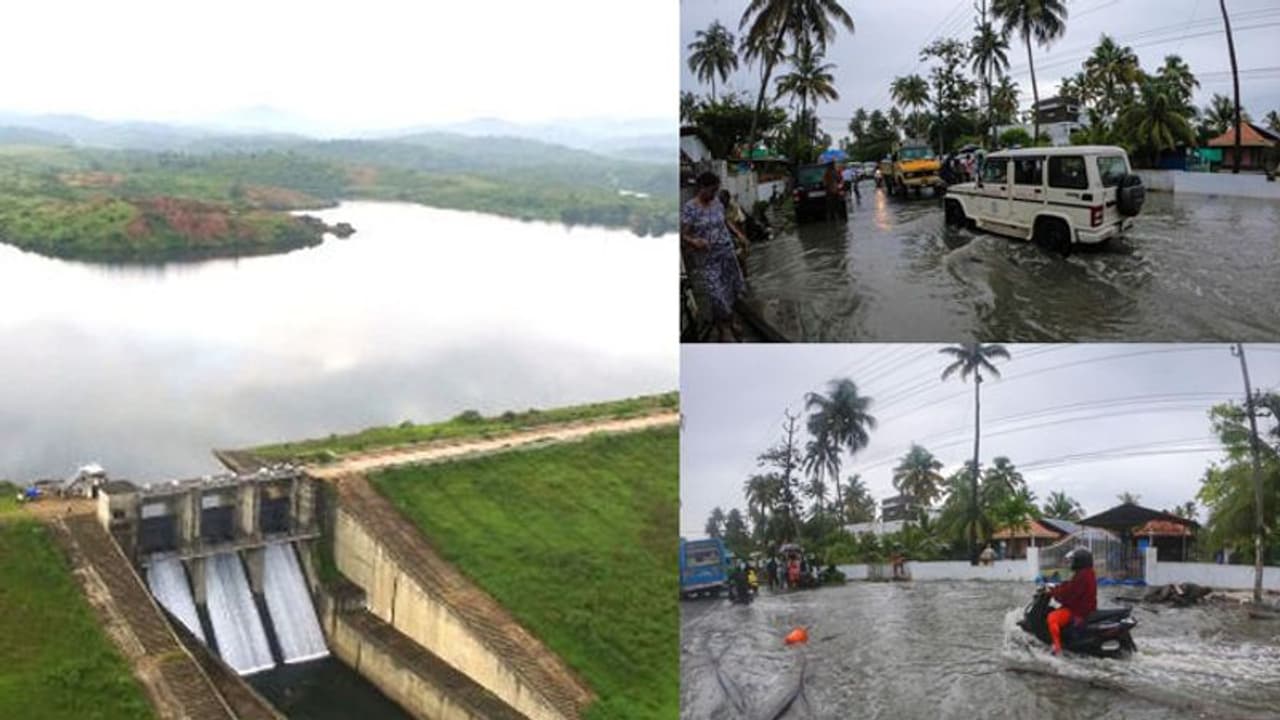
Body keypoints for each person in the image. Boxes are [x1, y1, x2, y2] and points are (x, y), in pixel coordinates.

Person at [681, 172, 745, 342]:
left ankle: (723, 326)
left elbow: (724, 221)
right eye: (712, 190)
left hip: (726, 253)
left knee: (731, 291)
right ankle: (729, 321)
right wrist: (695, 241)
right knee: (715, 293)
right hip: (708, 260)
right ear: (702, 188)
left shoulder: (716, 203)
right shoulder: (690, 208)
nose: (714, 194)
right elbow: (683, 234)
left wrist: (739, 235)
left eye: (716, 190)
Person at [1047, 548, 1098, 656]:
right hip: (1084, 609)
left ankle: (1057, 648)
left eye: (1073, 560)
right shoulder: (1087, 573)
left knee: (1052, 618)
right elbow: (1071, 587)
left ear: (1080, 561)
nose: (1071, 563)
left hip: (1078, 611)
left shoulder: (1082, 575)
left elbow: (1069, 595)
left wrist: (1055, 593)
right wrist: (1059, 587)